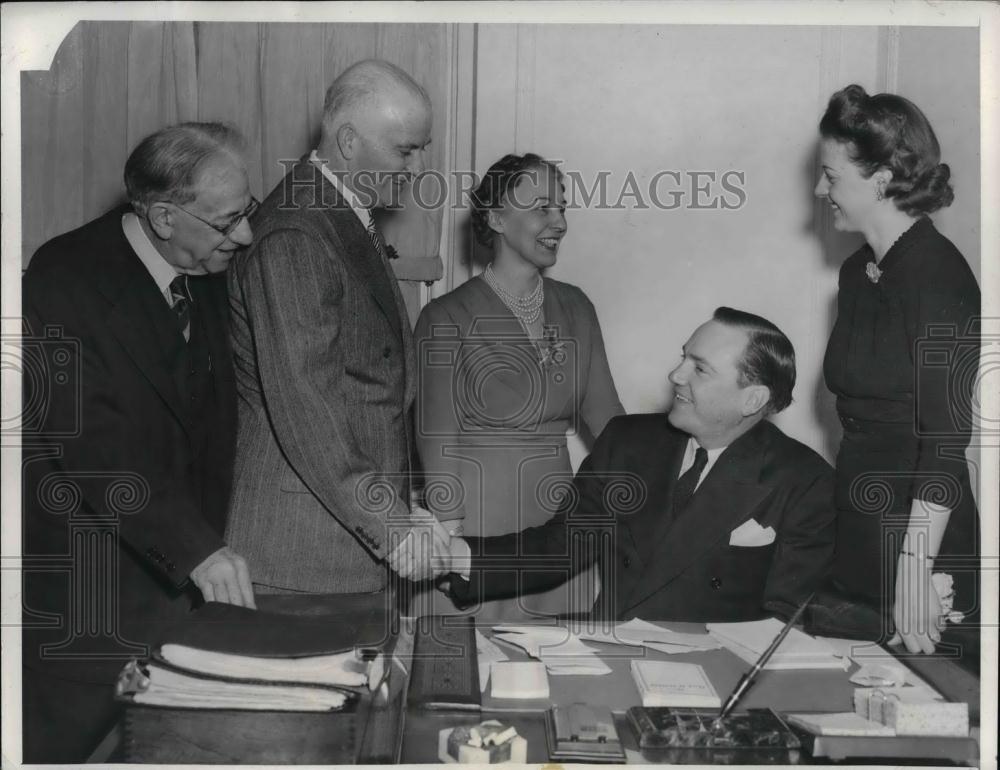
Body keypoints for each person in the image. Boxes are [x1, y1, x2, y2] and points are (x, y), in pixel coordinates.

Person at [21, 122, 257, 762]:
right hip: (87, 608)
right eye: (227, 220)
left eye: (247, 211)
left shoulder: (205, 269)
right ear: (162, 217)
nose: (246, 235)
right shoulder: (62, 276)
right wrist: (198, 552)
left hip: (178, 607)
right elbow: (96, 448)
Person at [408, 309, 836, 623]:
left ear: (752, 399)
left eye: (699, 369)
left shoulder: (805, 482)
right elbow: (563, 546)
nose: (675, 374)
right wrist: (453, 555)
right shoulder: (629, 441)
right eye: (683, 357)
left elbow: (786, 625)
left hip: (710, 682)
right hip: (611, 648)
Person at [225, 59, 442, 594]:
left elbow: (371, 392)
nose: (414, 169)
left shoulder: (339, 215)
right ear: (348, 141)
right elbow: (309, 407)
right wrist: (391, 528)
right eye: (404, 149)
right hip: (305, 556)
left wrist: (406, 501)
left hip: (346, 542)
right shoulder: (297, 232)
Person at [413, 153, 624, 619]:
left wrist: (648, 487)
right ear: (497, 218)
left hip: (557, 524)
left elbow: (612, 424)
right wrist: (448, 539)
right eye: (542, 208)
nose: (560, 222)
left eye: (562, 207)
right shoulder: (445, 316)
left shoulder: (576, 307)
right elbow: (436, 439)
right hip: (477, 520)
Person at [815, 85, 981, 656]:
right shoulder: (859, 272)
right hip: (860, 521)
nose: (820, 191)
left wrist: (915, 567)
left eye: (832, 177)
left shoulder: (939, 276)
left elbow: (946, 441)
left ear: (882, 177)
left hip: (924, 537)